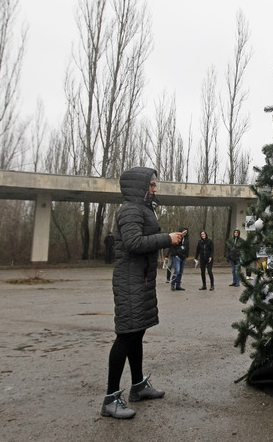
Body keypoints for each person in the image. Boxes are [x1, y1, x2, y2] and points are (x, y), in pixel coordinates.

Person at [101, 167, 183, 419]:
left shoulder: (143, 209)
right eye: (152, 185)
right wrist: (166, 238)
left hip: (141, 278)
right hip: (129, 280)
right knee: (125, 336)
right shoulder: (130, 210)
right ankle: (110, 399)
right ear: (140, 187)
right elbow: (134, 243)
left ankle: (137, 386)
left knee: (136, 334)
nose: (155, 188)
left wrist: (166, 238)